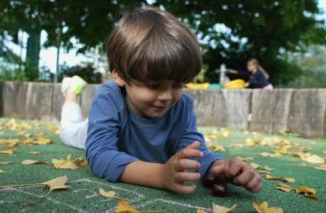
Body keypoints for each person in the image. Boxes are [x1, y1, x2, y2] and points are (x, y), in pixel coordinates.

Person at [60, 7, 261, 195]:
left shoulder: (181, 105)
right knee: (68, 130)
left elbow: (191, 150)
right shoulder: (109, 97)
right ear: (119, 75)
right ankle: (71, 92)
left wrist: (216, 167)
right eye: (154, 85)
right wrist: (160, 175)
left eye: (177, 85)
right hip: (89, 132)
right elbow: (100, 155)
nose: (167, 96)